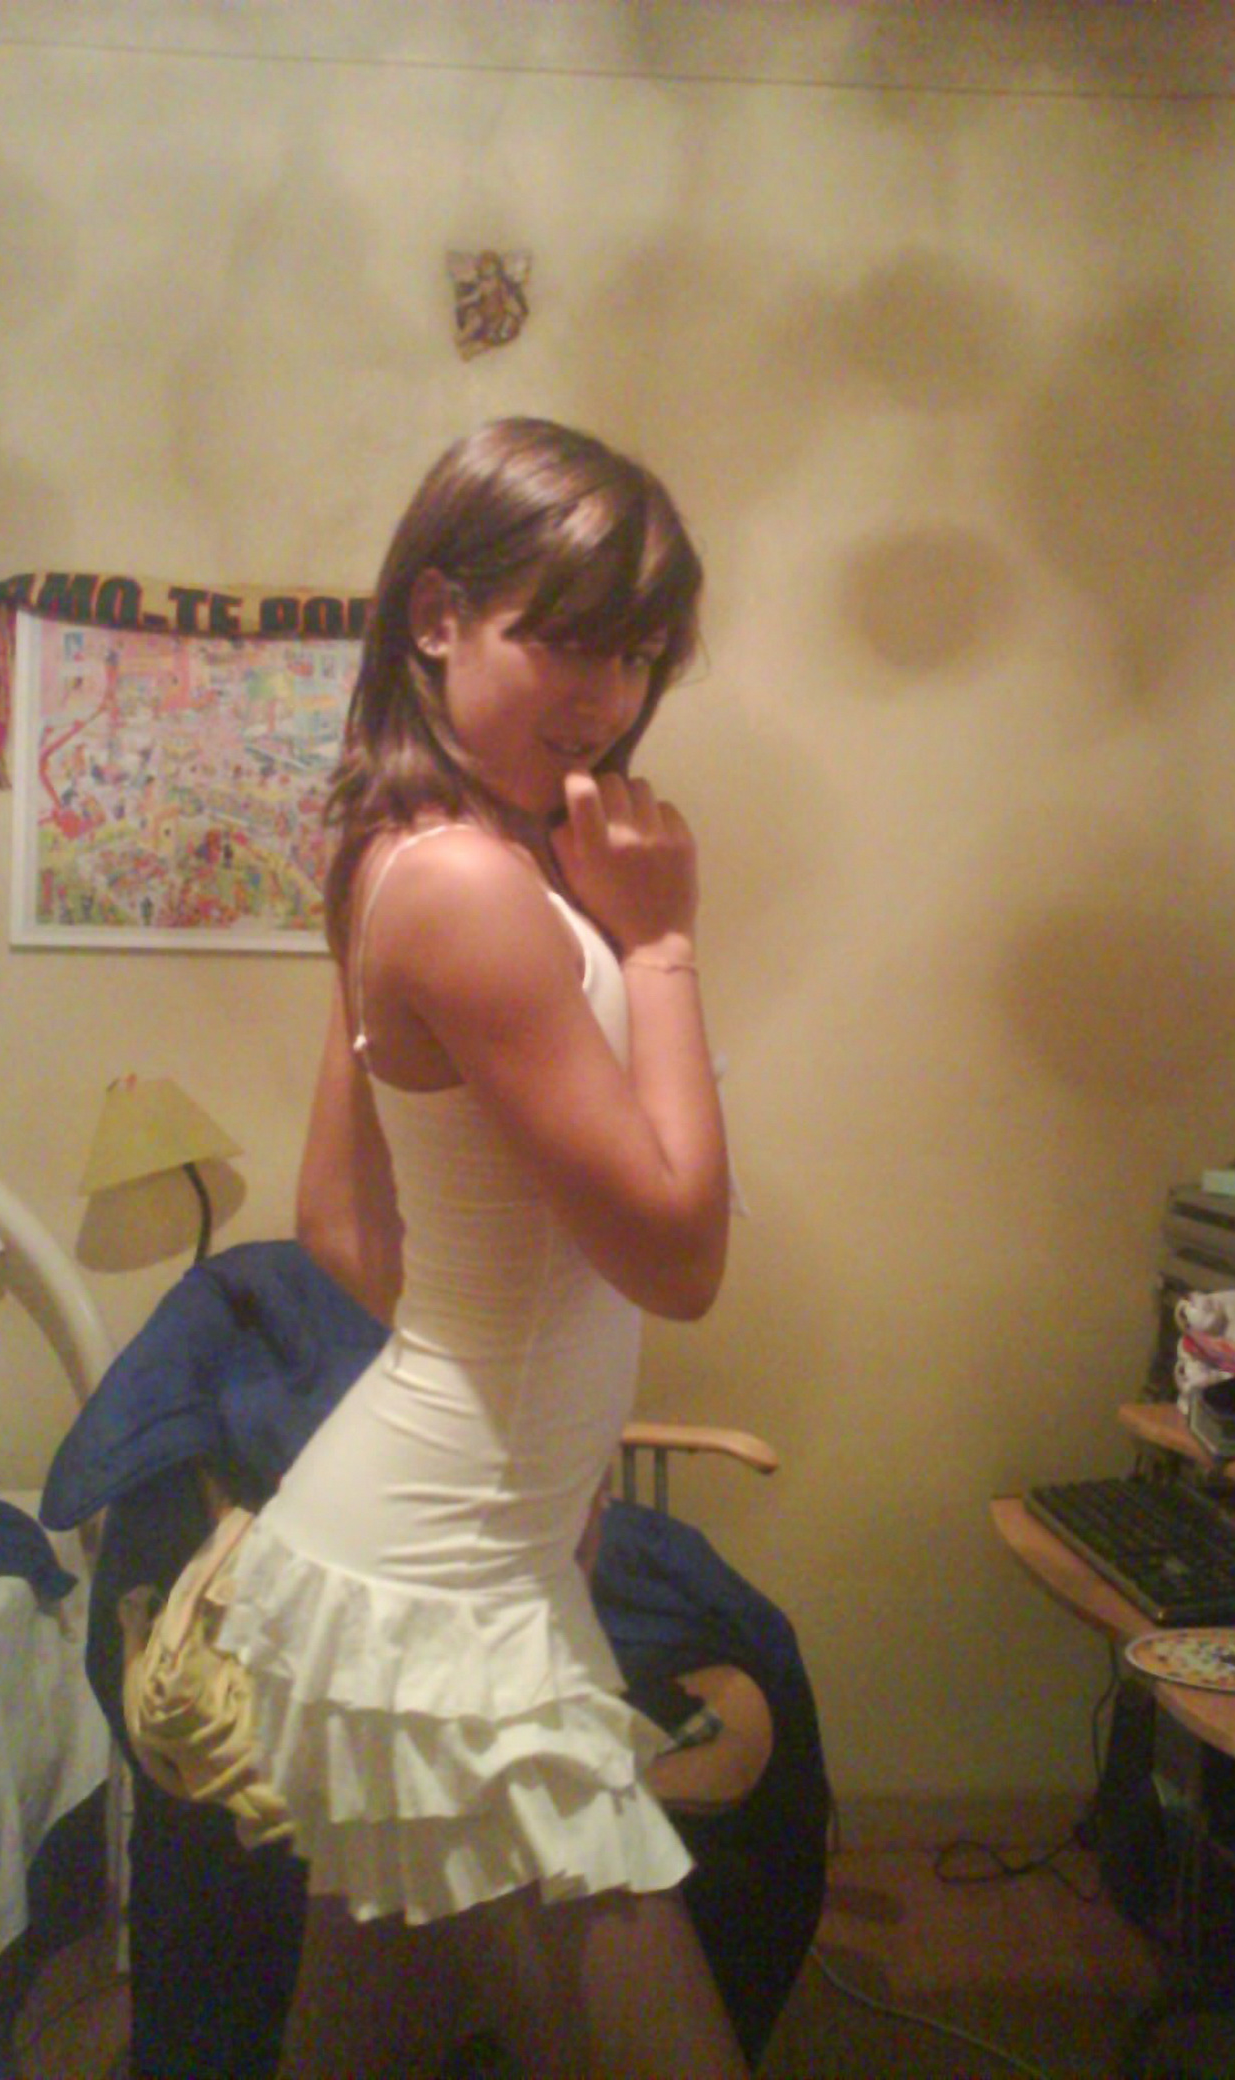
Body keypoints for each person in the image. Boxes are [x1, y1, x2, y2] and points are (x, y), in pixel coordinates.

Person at [218, 418, 746, 2078]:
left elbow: (338, 1216)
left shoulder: (408, 850)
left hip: (440, 1550)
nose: (607, 695)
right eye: (567, 639)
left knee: (359, 2042)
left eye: (639, 652)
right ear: (438, 615)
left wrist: (526, 1438)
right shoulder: (469, 884)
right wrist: (663, 946)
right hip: (440, 1580)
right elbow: (677, 1259)